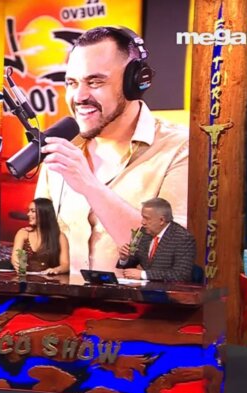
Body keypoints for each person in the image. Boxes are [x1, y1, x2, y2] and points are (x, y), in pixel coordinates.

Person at [35, 26, 188, 273]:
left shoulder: (180, 148)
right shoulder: (62, 150)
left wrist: (89, 186)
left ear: (135, 82)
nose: (79, 96)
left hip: (143, 299)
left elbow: (170, 258)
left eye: (95, 82)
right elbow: (45, 247)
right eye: (72, 83)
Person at [117, 198, 196, 281]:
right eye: (142, 217)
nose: (142, 222)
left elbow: (181, 275)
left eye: (146, 218)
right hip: (144, 287)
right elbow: (133, 262)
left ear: (161, 220)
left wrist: (144, 275)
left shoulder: (183, 238)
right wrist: (124, 259)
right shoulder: (144, 232)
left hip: (168, 288)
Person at [11, 198, 69, 275]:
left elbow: (65, 265)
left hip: (49, 279)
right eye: (29, 211)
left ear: (44, 213)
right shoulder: (23, 233)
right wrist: (16, 261)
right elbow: (16, 256)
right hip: (24, 279)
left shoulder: (60, 237)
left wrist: (56, 270)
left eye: (33, 211)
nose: (28, 214)